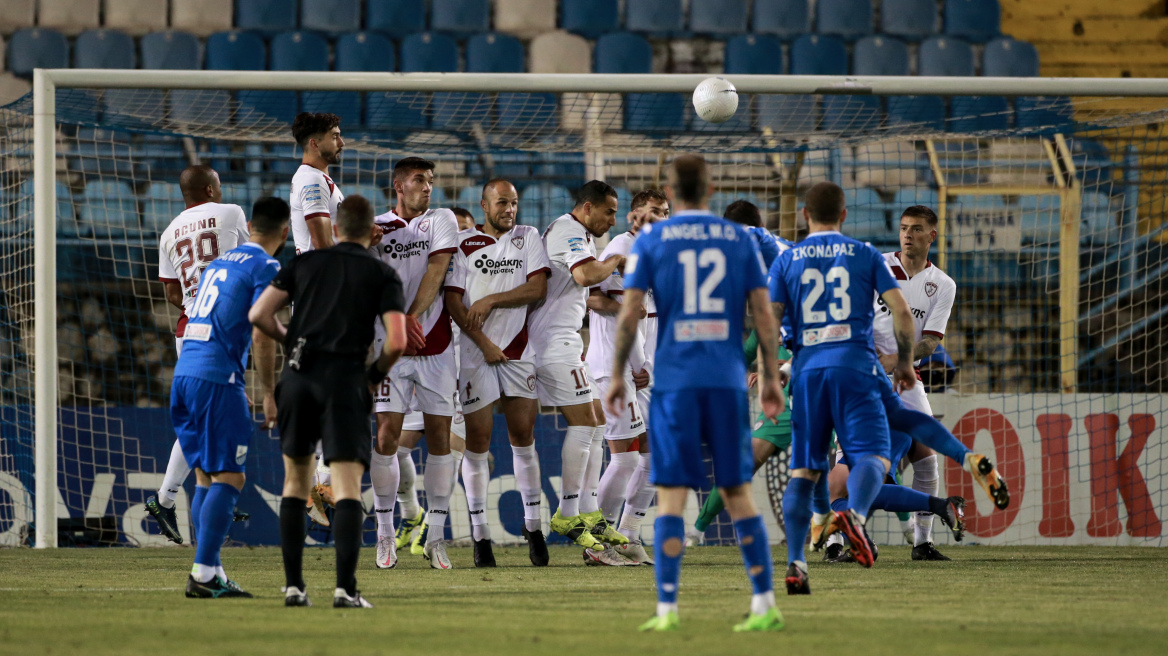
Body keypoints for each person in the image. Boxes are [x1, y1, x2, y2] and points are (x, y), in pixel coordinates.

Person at [607, 155, 786, 633]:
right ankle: (765, 602)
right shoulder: (738, 238)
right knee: (738, 493)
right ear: (710, 189)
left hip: (674, 383)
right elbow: (764, 314)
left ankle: (666, 610)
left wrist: (620, 374)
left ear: (670, 190)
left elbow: (628, 315)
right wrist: (769, 375)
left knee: (671, 497)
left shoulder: (651, 240)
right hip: (727, 380)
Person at [249, 195, 407, 609]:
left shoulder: (303, 264)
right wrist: (372, 378)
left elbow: (259, 315)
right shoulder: (382, 273)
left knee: (295, 483)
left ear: (335, 228)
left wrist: (294, 342)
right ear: (372, 231)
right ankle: (345, 589)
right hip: (345, 383)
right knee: (347, 486)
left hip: (299, 380)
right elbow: (397, 340)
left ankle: (295, 588)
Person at [171, 197, 288, 598]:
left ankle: (212, 571)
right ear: (285, 233)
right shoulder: (267, 266)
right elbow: (260, 328)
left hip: (185, 370)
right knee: (232, 476)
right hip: (217, 379)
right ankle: (202, 575)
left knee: (206, 475)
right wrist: (269, 392)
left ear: (251, 224)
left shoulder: (219, 262)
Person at [445, 179, 550, 567]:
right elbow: (453, 302)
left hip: (519, 353)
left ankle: (534, 528)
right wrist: (484, 343)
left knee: (524, 439)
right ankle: (481, 537)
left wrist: (490, 300)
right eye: (502, 202)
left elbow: (537, 288)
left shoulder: (528, 237)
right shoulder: (463, 242)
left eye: (515, 203)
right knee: (478, 444)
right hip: (475, 355)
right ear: (484, 205)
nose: (510, 209)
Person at [147, 164, 251, 545]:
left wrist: (196, 299)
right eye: (219, 186)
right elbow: (251, 259)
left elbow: (172, 292)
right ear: (210, 189)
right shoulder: (231, 214)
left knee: (207, 417)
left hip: (187, 327)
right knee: (214, 415)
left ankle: (207, 497)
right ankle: (177, 498)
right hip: (220, 327)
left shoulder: (168, 232)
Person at [370, 157, 461, 570]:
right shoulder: (375, 227)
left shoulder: (441, 218)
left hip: (436, 346)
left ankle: (436, 537)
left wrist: (410, 317)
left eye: (430, 181)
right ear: (398, 186)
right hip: (389, 349)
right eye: (419, 181)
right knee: (387, 437)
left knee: (440, 440)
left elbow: (438, 269)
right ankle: (385, 533)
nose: (428, 187)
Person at [527, 180, 624, 551]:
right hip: (551, 343)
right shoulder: (567, 230)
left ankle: (589, 511)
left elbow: (582, 288)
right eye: (609, 211)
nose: (612, 220)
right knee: (586, 423)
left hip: (566, 341)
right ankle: (566, 513)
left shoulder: (580, 236)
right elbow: (584, 276)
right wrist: (614, 261)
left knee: (596, 421)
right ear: (587, 207)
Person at [586, 188, 669, 565]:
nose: (660, 219)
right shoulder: (620, 247)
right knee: (624, 460)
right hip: (615, 369)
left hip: (645, 371)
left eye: (665, 212)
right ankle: (595, 542)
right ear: (634, 216)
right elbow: (590, 296)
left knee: (656, 458)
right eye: (653, 212)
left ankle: (630, 534)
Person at [288, 112, 347, 526]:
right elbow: (323, 241)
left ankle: (318, 476)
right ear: (314, 142)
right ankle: (316, 479)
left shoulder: (322, 180)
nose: (341, 142)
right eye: (335, 136)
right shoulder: (309, 181)